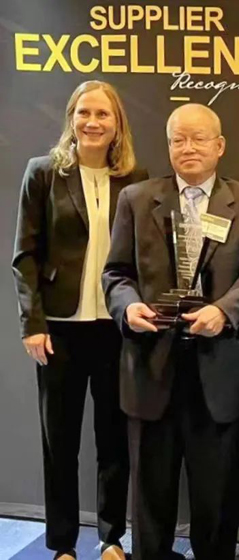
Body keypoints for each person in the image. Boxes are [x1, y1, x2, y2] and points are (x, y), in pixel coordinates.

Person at [102, 103, 239, 560]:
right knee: (151, 492)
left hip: (219, 366)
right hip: (151, 362)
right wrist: (128, 306)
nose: (188, 148)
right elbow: (115, 273)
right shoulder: (136, 199)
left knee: (216, 495)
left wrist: (223, 311)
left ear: (220, 146)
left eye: (198, 138)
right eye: (178, 139)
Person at [11, 80, 147, 560]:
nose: (92, 122)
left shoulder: (135, 178)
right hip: (58, 329)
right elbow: (25, 257)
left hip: (115, 329)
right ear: (71, 118)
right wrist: (32, 323)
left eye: (102, 114)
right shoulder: (43, 173)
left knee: (113, 441)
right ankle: (63, 544)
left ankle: (111, 539)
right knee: (60, 443)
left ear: (117, 124)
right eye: (84, 112)